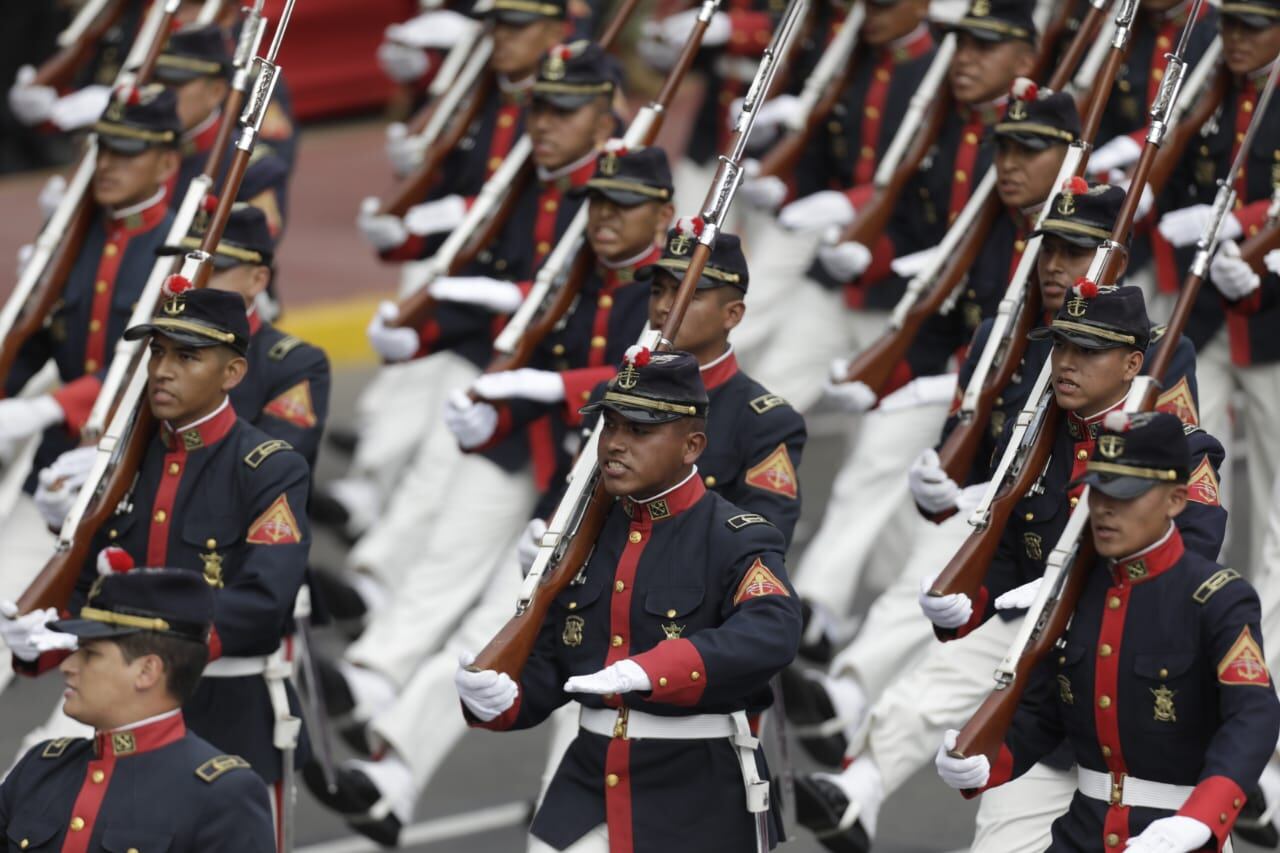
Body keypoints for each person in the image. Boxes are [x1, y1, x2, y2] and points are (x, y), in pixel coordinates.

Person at [303, 228, 809, 847]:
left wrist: (653, 661)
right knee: (489, 649)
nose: (666, 304)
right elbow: (577, 504)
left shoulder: (760, 423)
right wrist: (506, 687)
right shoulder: (614, 401)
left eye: (688, 291)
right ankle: (393, 764)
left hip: (690, 712)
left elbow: (762, 559)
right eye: (660, 287)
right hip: (584, 662)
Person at [795, 281, 1225, 853]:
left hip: (1141, 695)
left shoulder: (1182, 452)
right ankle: (860, 781)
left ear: (1131, 364)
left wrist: (1070, 586)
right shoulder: (1034, 436)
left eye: (1087, 351)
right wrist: (965, 601)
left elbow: (1191, 555)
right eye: (1060, 347)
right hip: (1040, 676)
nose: (1065, 363)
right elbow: (1003, 550)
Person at [456, 349, 803, 852]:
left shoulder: (735, 536)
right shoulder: (585, 537)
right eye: (610, 427)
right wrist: (497, 698)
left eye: (639, 431)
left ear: (692, 446)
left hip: (696, 797)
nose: (615, 445)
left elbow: (772, 630)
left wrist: (652, 669)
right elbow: (558, 661)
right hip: (588, 787)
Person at [789, 77, 1079, 649]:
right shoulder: (995, 217)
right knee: (882, 453)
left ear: (1068, 154)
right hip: (973, 385)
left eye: (1031, 150)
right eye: (1005, 149)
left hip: (1036, 402)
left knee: (947, 541)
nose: (1010, 164)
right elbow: (950, 313)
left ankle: (861, 659)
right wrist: (894, 381)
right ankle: (818, 607)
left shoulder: (1085, 226)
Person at [9, 287, 312, 812]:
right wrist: (48, 633)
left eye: (187, 356)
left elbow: (264, 605)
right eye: (158, 353)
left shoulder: (267, 468)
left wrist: (142, 633)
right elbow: (86, 585)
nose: (163, 370)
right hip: (120, 713)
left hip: (224, 718)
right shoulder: (122, 462)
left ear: (233, 374)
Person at [937, 410, 1280, 853]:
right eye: (1097, 494)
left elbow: (1252, 717)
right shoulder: (1074, 591)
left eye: (1126, 496)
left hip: (1175, 835)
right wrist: (984, 759)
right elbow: (1042, 712)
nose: (1104, 511)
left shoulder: (1216, 598)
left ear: (1176, 500)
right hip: (1080, 834)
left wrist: (1199, 819)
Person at [0, 85, 180, 646]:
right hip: (60, 464)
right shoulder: (78, 238)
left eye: (128, 153)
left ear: (168, 162)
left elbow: (158, 363)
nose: (108, 166)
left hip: (141, 469)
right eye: (103, 151)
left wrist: (48, 406)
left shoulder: (184, 248)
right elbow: (34, 339)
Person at [732, 0, 938, 408]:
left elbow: (929, 182)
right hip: (833, 262)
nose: (872, 17)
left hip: (899, 276)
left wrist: (851, 204)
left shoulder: (938, 75)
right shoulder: (858, 58)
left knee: (885, 435)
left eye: (885, 8)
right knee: (769, 392)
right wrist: (784, 185)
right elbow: (823, 152)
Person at [0, 568, 277, 852]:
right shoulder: (40, 768)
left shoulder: (223, 796)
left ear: (147, 671)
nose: (67, 667)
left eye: (90, 654)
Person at [1152, 0, 1280, 572]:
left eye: (1253, 27)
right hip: (1205, 316)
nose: (1235, 38)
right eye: (1228, 23)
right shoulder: (1214, 84)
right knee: (1184, 475)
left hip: (1272, 324)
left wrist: (1242, 224)